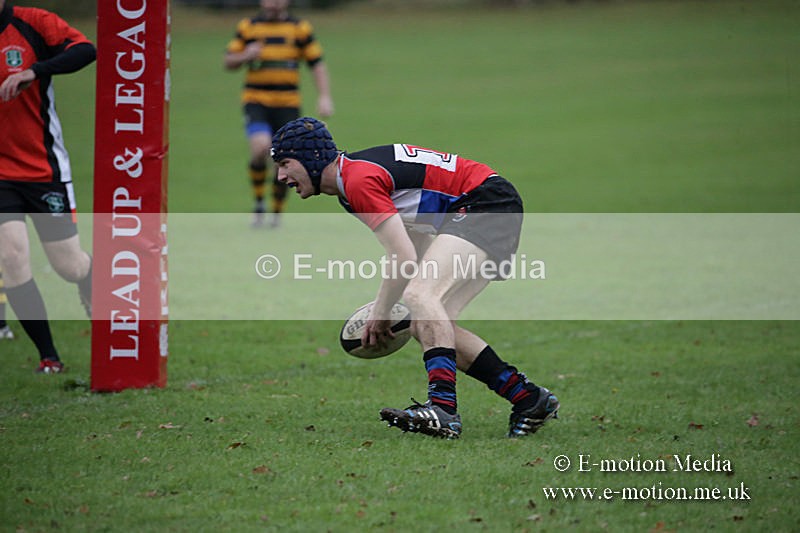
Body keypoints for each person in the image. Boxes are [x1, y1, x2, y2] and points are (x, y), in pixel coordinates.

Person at [270, 117, 560, 439]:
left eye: (285, 163)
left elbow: (403, 257)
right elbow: (415, 237)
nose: (281, 176)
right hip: (484, 204)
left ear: (311, 158)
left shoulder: (357, 180)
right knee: (429, 321)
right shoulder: (350, 184)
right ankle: (528, 398)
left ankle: (443, 410)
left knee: (420, 297)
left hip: (484, 203)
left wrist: (381, 313)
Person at [0, 0, 94, 373]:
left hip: (43, 169)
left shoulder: (33, 22)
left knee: (69, 266)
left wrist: (33, 72)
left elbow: (86, 50)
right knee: (12, 257)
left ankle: (92, 284)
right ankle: (49, 357)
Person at [224, 0, 334, 228]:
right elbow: (229, 60)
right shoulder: (248, 27)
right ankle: (258, 203)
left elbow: (316, 63)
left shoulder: (299, 28)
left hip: (288, 104)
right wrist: (246, 55)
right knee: (260, 148)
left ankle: (277, 212)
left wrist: (324, 96)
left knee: (283, 161)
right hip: (256, 101)